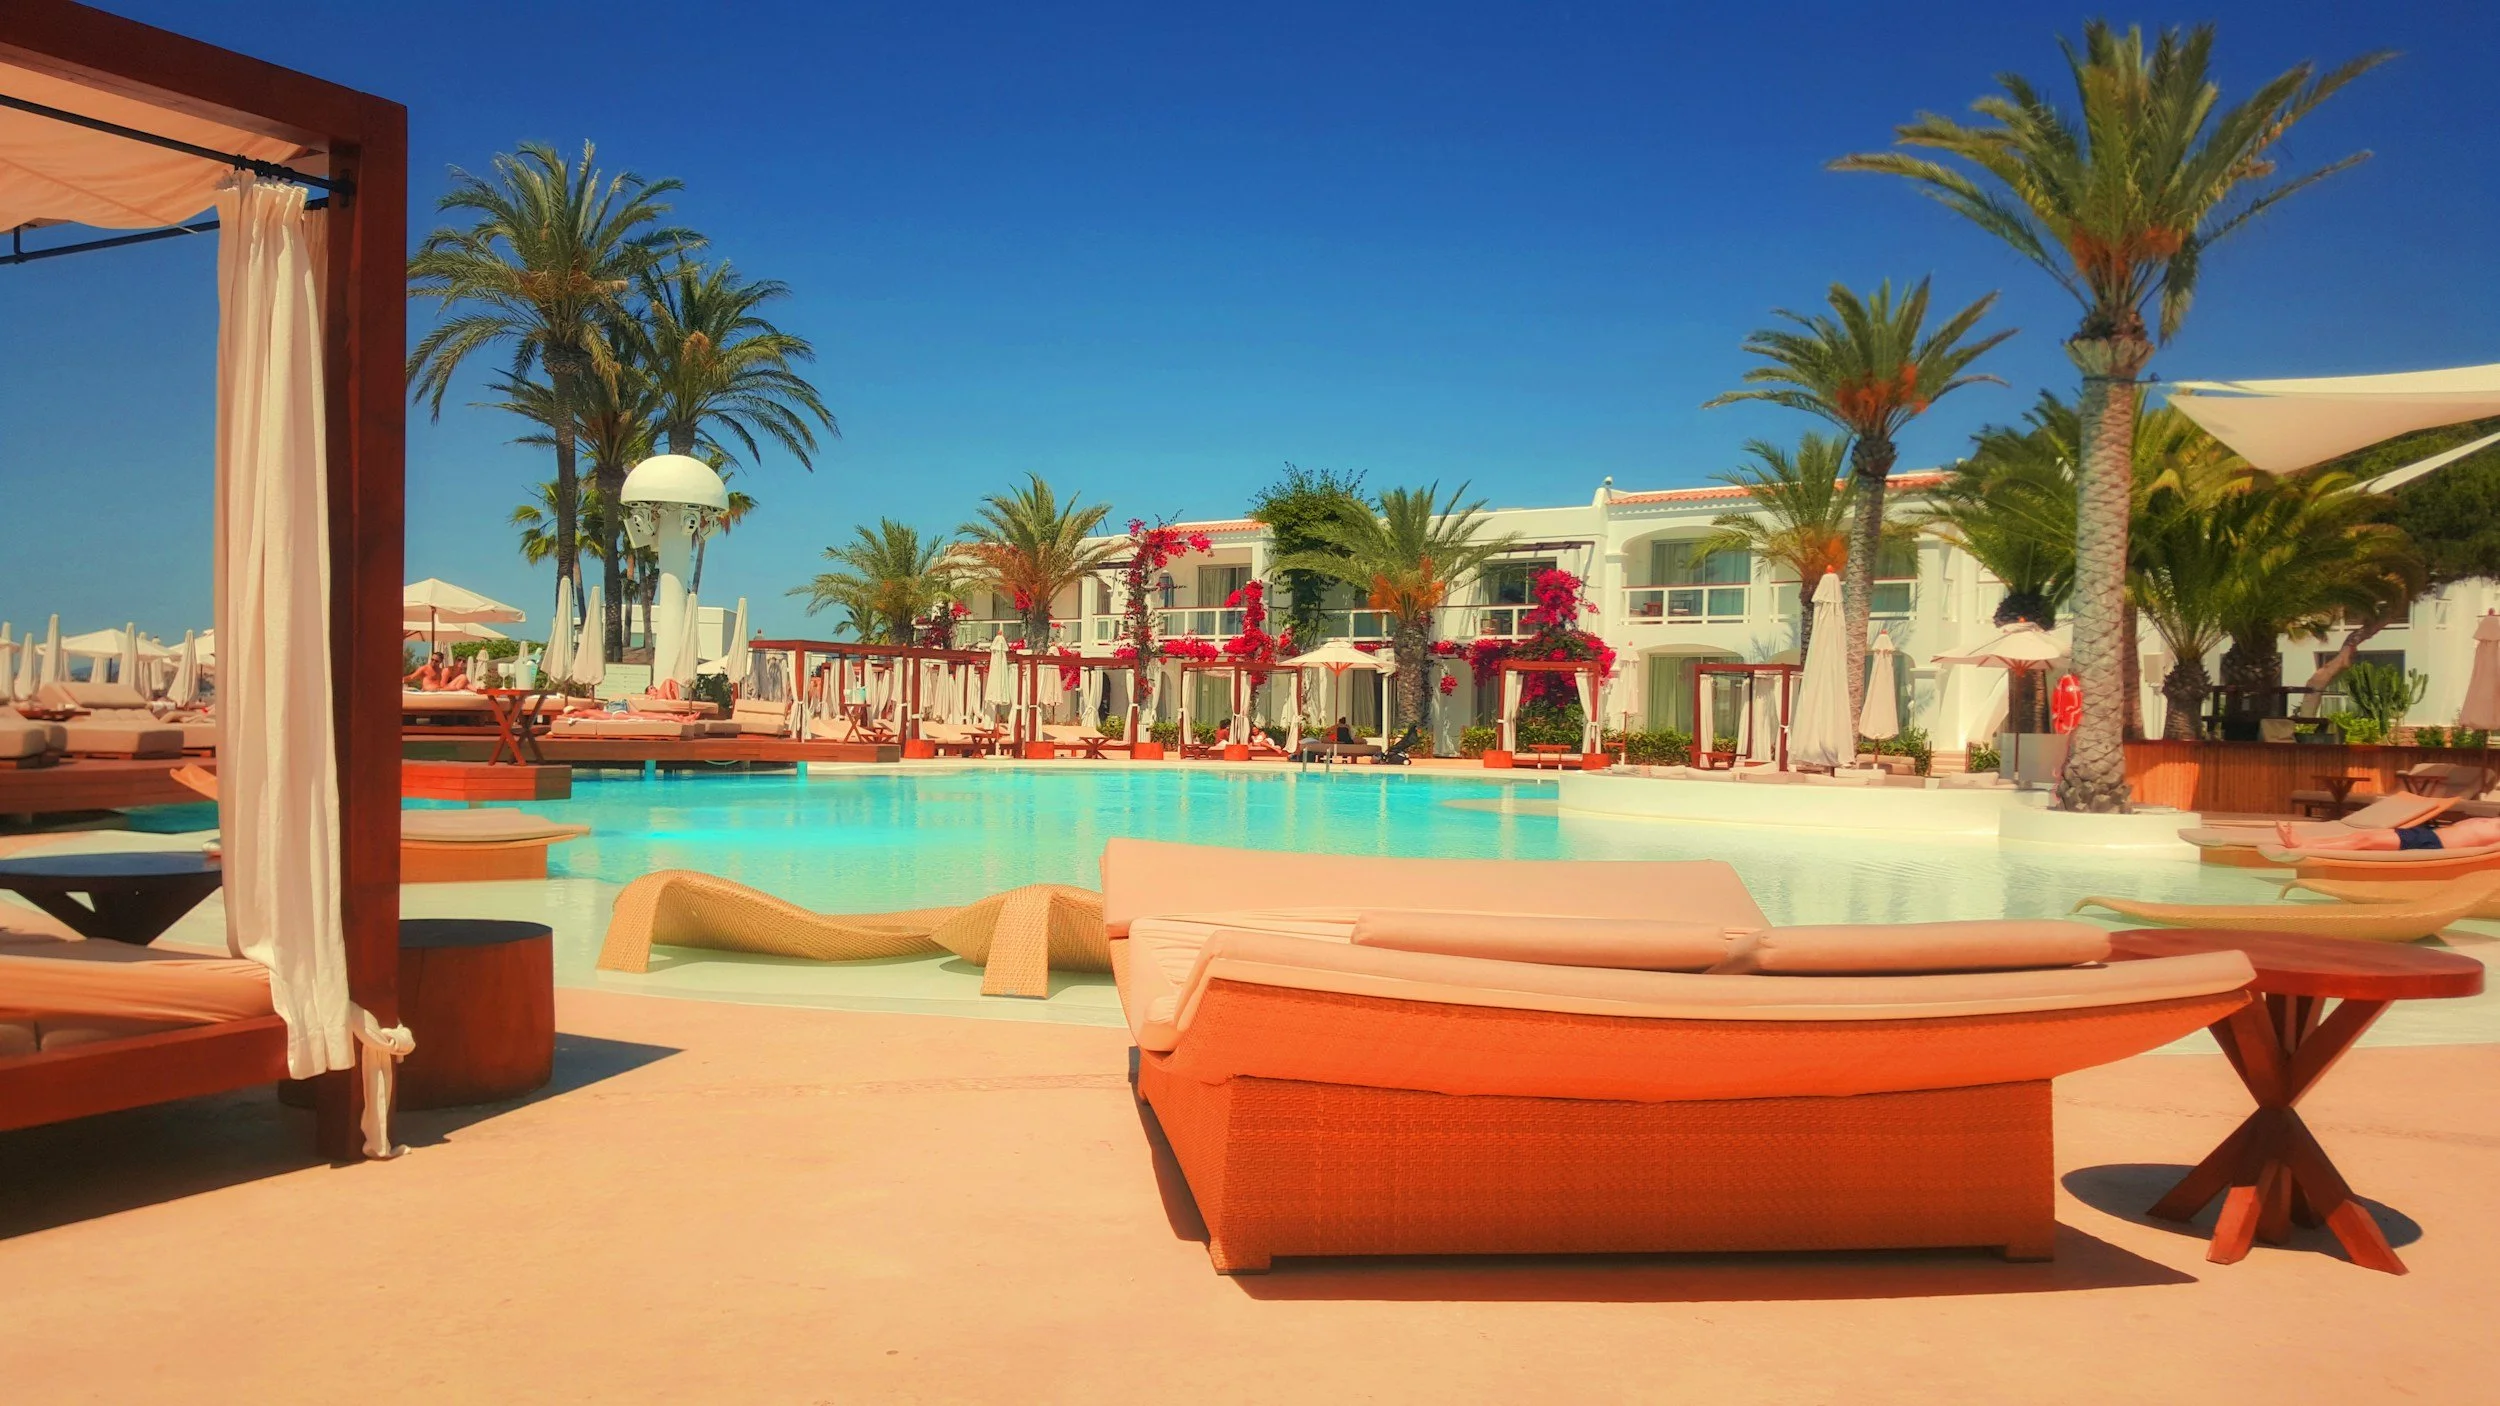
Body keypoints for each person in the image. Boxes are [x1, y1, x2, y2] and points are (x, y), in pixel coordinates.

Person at [2277, 815, 2500, 853]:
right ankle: (2306, 841)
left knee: (2366, 841)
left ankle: (2307, 848)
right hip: (2429, 834)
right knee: (2364, 836)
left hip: (2433, 843)